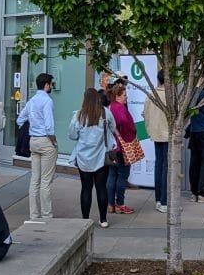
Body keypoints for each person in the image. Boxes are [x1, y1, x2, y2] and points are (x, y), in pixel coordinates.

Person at [68, 87, 116, 228]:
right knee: (101, 188)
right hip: (101, 157)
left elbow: (72, 135)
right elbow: (113, 128)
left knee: (86, 188)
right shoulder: (106, 113)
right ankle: (103, 219)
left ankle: (85, 220)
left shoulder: (79, 115)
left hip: (83, 158)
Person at [17, 72, 58, 220]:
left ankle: (34, 215)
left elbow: (20, 119)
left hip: (33, 140)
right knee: (46, 181)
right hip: (45, 141)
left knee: (35, 179)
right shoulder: (47, 101)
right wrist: (53, 141)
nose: (52, 86)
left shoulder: (32, 100)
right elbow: (49, 125)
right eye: (51, 83)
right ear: (46, 85)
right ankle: (47, 215)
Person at [106, 79, 137, 214]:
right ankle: (120, 204)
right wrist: (131, 132)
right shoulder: (120, 108)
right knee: (123, 175)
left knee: (112, 175)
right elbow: (124, 122)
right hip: (122, 145)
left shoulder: (110, 107)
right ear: (118, 96)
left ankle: (110, 204)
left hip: (112, 146)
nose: (126, 97)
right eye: (124, 95)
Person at [144, 70, 171, 213]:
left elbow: (145, 113)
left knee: (159, 165)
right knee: (166, 167)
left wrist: (149, 129)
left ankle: (159, 200)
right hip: (167, 135)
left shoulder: (151, 95)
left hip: (155, 134)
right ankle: (164, 201)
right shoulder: (169, 96)